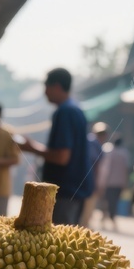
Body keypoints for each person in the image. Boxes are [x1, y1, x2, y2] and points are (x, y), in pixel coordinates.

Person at [17, 68, 92, 225]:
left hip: (64, 191)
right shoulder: (76, 109)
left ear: (56, 86)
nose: (45, 92)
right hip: (74, 190)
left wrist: (31, 148)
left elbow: (61, 157)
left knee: (58, 244)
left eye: (46, 87)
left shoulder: (65, 112)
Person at [79, 122, 109, 227]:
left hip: (82, 183)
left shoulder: (89, 141)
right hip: (88, 183)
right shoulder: (93, 143)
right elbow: (96, 166)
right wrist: (97, 184)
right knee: (85, 214)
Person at [99, 137, 131, 229]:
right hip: (119, 183)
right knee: (114, 201)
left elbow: (106, 168)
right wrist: (125, 182)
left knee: (106, 200)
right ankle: (111, 218)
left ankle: (106, 217)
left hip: (109, 182)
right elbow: (126, 169)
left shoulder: (109, 152)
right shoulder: (125, 154)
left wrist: (102, 181)